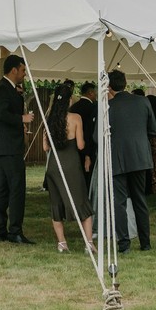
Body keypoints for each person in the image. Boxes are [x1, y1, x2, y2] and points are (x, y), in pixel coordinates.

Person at [43, 79, 94, 253]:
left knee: (56, 204)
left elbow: (45, 147)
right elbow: (80, 145)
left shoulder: (49, 119)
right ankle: (88, 243)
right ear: (69, 100)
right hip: (70, 164)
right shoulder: (75, 118)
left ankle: (62, 243)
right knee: (81, 201)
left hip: (53, 166)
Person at [107, 70, 156, 252]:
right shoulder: (143, 101)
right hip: (139, 157)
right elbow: (153, 130)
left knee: (119, 202)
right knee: (139, 200)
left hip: (118, 157)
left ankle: (124, 244)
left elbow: (97, 137)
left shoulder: (108, 107)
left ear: (109, 86)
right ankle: (146, 243)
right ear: (125, 83)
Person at [0, 54, 34, 244]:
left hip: (5, 145)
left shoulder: (10, 89)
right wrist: (21, 119)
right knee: (16, 188)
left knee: (2, 189)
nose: (25, 74)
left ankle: (0, 230)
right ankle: (14, 230)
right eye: (23, 70)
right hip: (8, 146)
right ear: (14, 70)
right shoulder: (2, 88)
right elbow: (1, 114)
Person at [71, 80, 99, 181]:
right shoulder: (93, 108)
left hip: (73, 145)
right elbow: (91, 129)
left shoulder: (73, 107)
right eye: (95, 93)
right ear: (91, 92)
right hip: (88, 145)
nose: (96, 95)